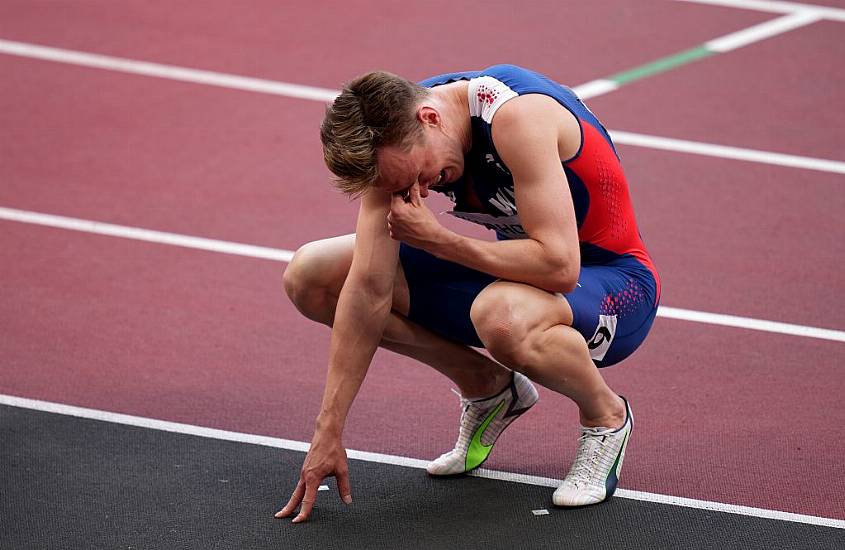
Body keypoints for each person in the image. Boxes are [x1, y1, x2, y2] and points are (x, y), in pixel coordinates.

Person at [276, 64, 660, 523]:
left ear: (430, 119)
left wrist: (440, 240)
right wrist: (328, 430)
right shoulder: (397, 144)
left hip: (614, 287)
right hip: (518, 281)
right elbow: (369, 289)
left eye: (419, 175)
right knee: (311, 276)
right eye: (400, 187)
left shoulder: (517, 119)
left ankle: (606, 417)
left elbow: (560, 266)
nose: (416, 192)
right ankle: (488, 389)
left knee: (501, 317)